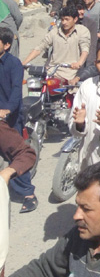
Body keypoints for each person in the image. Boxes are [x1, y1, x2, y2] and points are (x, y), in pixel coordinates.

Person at [0, 26, 37, 213]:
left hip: (10, 116)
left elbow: (16, 90)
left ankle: (29, 194)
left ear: (6, 45)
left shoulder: (13, 64)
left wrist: (7, 110)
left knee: (15, 154)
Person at [22, 6, 90, 83]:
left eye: (67, 19)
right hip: (51, 71)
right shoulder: (55, 31)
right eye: (62, 19)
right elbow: (40, 47)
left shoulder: (82, 31)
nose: (64, 22)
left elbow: (85, 49)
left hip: (70, 73)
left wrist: (79, 63)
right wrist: (23, 63)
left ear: (75, 19)